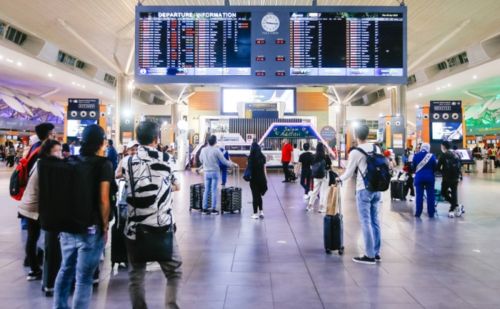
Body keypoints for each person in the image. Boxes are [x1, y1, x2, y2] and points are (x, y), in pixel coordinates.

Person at [122, 121, 183, 309]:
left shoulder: (127, 161)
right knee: (174, 271)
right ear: (156, 139)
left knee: (136, 275)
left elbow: (119, 176)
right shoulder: (166, 159)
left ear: (137, 138)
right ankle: (171, 306)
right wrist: (163, 188)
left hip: (135, 227)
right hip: (161, 224)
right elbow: (177, 185)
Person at [53, 125, 112, 309]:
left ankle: (59, 306)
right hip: (91, 228)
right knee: (84, 278)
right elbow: (104, 200)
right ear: (101, 142)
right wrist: (105, 226)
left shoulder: (70, 161)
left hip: (68, 226)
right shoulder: (104, 164)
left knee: (65, 270)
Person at [338, 124, 382, 265]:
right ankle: (376, 252)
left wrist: (339, 178)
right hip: (377, 189)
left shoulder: (356, 152)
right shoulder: (376, 148)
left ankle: (369, 256)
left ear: (356, 135)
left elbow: (349, 172)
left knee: (365, 221)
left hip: (364, 190)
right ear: (368, 134)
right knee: (375, 221)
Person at [19, 140, 62, 282]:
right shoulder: (45, 165)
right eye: (57, 151)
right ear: (49, 151)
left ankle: (33, 269)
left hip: (28, 204)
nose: (59, 153)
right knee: (40, 238)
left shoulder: (39, 162)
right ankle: (36, 268)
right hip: (34, 206)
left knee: (32, 237)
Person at [199, 135, 237, 215]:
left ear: (208, 142)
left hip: (206, 172)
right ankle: (213, 209)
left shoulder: (203, 150)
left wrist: (206, 164)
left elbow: (200, 159)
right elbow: (224, 161)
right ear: (215, 142)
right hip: (214, 172)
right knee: (214, 190)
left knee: (206, 190)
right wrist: (232, 164)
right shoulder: (217, 150)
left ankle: (204, 209)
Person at [437, 141, 464, 218]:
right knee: (454, 193)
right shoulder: (456, 154)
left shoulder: (443, 155)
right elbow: (460, 165)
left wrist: (443, 172)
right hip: (455, 177)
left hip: (446, 178)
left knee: (443, 193)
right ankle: (453, 209)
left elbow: (438, 168)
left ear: (443, 146)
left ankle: (455, 206)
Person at [412, 143, 437, 218]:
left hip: (419, 178)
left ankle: (418, 213)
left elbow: (413, 167)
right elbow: (435, 167)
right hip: (430, 178)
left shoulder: (416, 155)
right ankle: (431, 213)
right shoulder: (432, 156)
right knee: (430, 195)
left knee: (419, 195)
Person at [306, 142, 332, 213]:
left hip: (316, 176)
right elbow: (329, 167)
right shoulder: (326, 156)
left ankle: (310, 205)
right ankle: (321, 207)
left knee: (315, 191)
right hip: (325, 176)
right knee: (323, 191)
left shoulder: (313, 156)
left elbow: (311, 166)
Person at [247, 142, 268, 219]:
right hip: (262, 178)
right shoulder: (263, 157)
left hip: (254, 179)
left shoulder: (250, 157)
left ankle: (255, 213)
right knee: (259, 196)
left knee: (254, 196)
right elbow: (264, 169)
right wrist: (266, 179)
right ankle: (261, 212)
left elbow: (249, 169)